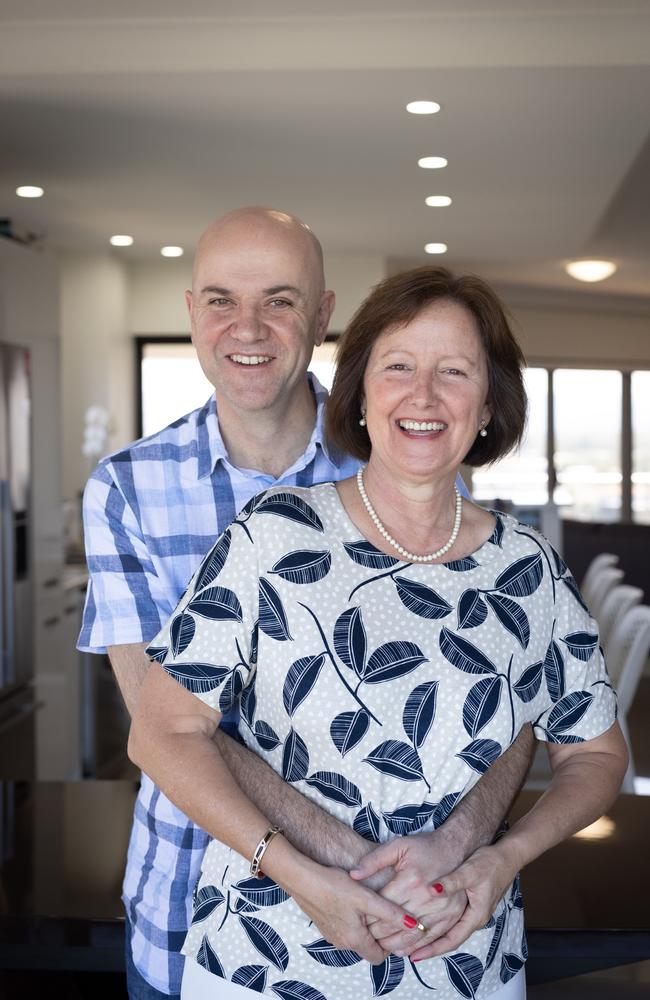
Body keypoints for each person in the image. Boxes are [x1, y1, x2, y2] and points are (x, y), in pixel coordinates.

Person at [128, 263, 628, 1000]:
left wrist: (500, 860)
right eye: (398, 367)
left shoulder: (529, 569)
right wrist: (305, 876)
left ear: (488, 405)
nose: (423, 396)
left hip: (463, 960)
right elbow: (162, 731)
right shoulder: (273, 537)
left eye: (454, 371)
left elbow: (597, 753)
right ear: (360, 393)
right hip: (269, 954)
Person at [79, 211, 535, 1000]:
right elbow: (163, 728)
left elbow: (484, 700)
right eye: (220, 300)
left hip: (399, 920)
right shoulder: (127, 490)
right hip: (187, 904)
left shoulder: (411, 455)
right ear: (191, 313)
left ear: (324, 315)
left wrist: (453, 850)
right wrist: (329, 859)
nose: (246, 327)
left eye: (279, 301)